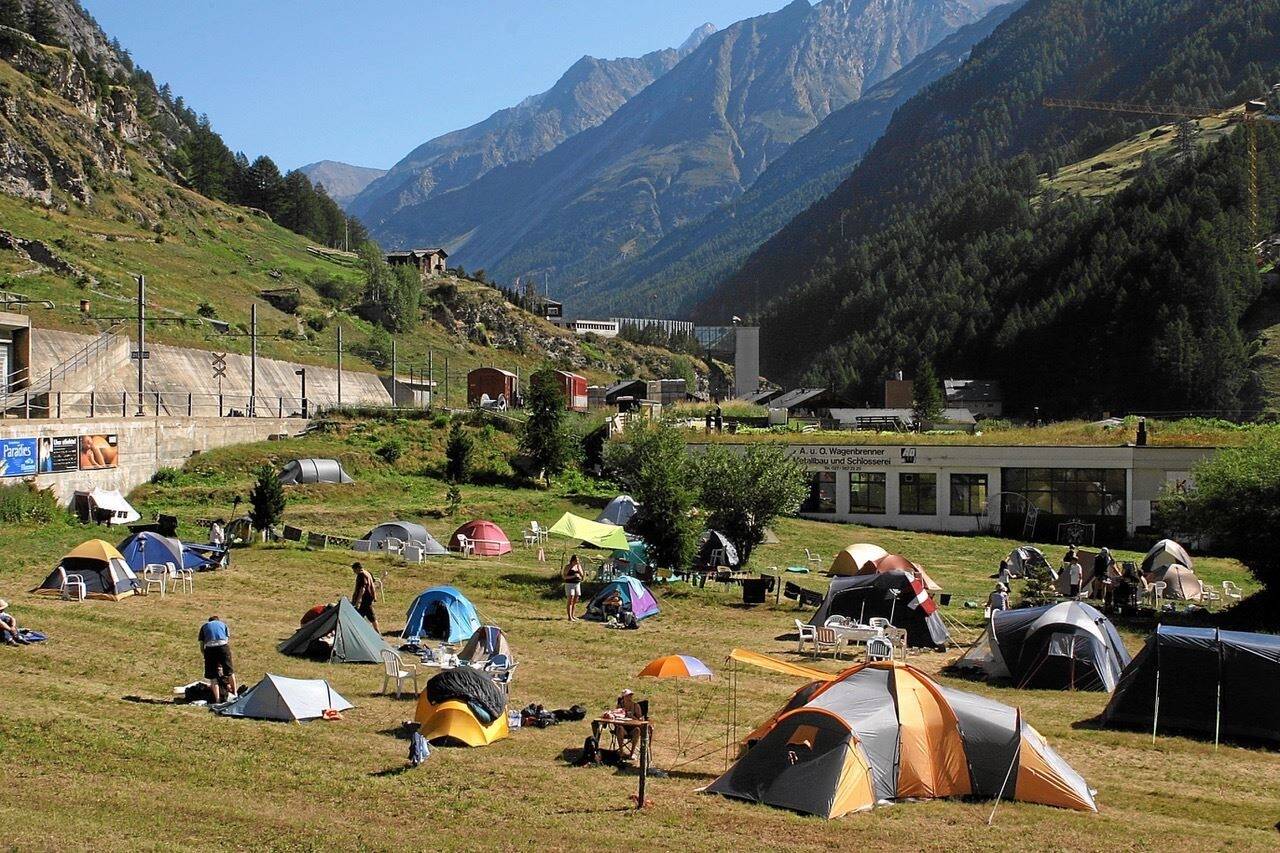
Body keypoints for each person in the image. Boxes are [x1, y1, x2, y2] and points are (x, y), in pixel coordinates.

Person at [198, 615, 237, 703]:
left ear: (209, 621)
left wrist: (206, 655)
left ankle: (217, 699)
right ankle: (235, 694)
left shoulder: (204, 626)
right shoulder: (223, 624)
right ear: (218, 620)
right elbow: (227, 639)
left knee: (213, 676)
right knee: (230, 672)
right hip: (223, 646)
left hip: (210, 648)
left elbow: (201, 645)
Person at [612, 689, 645, 760]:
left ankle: (632, 753)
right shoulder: (620, 705)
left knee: (637, 730)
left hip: (633, 728)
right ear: (624, 697)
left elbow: (640, 720)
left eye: (631, 695)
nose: (630, 697)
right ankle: (621, 752)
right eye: (628, 696)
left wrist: (632, 717)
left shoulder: (636, 706)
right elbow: (615, 715)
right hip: (623, 727)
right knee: (619, 729)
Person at [351, 562, 380, 634]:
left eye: (354, 569)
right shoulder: (367, 573)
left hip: (365, 599)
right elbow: (373, 583)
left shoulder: (361, 575)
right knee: (370, 616)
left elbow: (362, 589)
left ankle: (360, 633)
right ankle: (377, 633)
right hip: (369, 598)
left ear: (358, 568)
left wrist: (358, 601)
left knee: (358, 616)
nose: (353, 571)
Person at [563, 554, 584, 622]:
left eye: (578, 560)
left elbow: (582, 575)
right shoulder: (568, 567)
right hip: (569, 584)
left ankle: (573, 615)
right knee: (571, 598)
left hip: (577, 583)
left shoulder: (578, 566)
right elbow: (564, 577)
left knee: (576, 599)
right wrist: (573, 576)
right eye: (576, 560)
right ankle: (569, 617)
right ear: (572, 560)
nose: (577, 562)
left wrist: (579, 571)